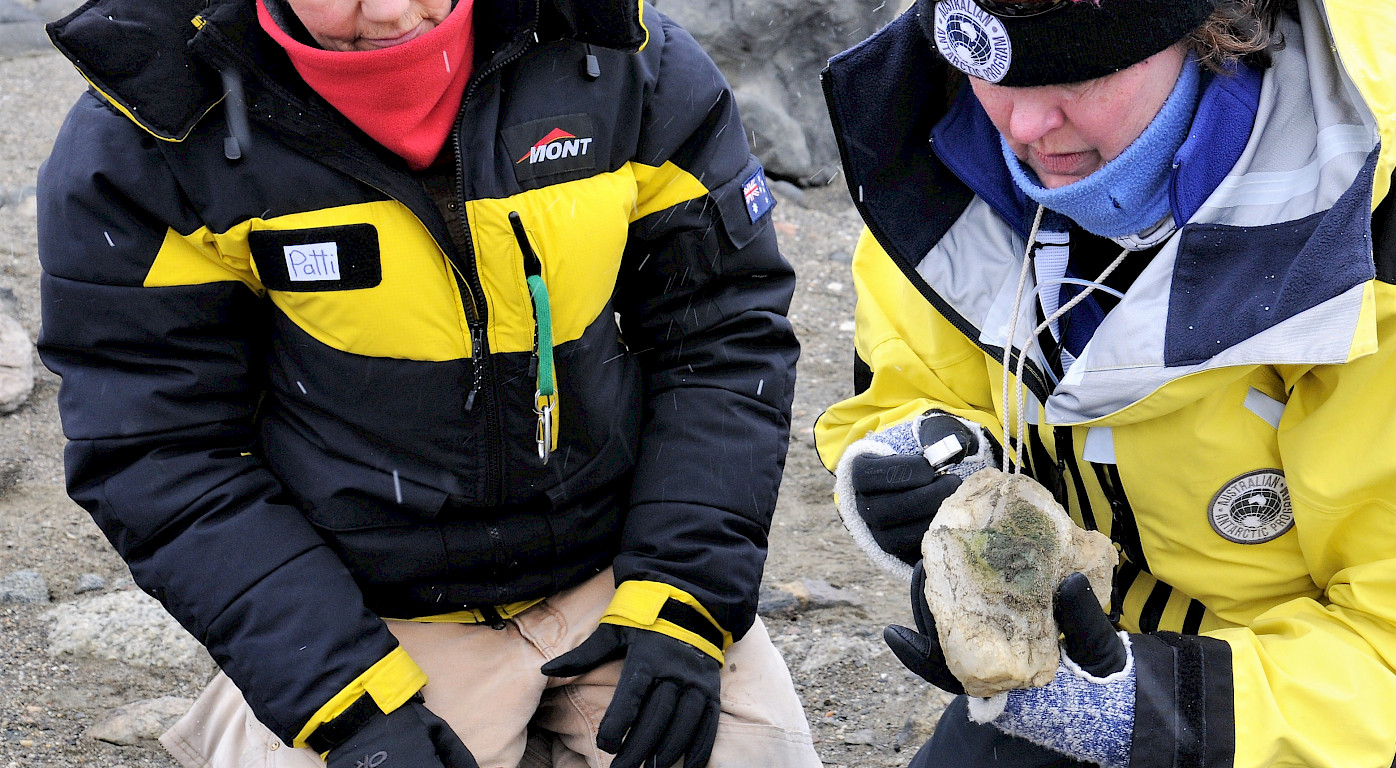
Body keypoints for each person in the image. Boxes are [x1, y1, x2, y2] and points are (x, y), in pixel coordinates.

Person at [812, 0, 1396, 766]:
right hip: (1112, 642)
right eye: (988, 65)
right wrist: (912, 467)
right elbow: (913, 382)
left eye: (1077, 73)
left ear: (1210, 29)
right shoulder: (940, 138)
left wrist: (1151, 714)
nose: (1024, 123)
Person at [37, 0, 815, 766]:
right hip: (370, 615)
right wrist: (343, 699)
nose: (391, 13)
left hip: (616, 568)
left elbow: (719, 329)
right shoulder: (148, 132)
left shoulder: (625, 51)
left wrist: (685, 595)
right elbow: (159, 447)